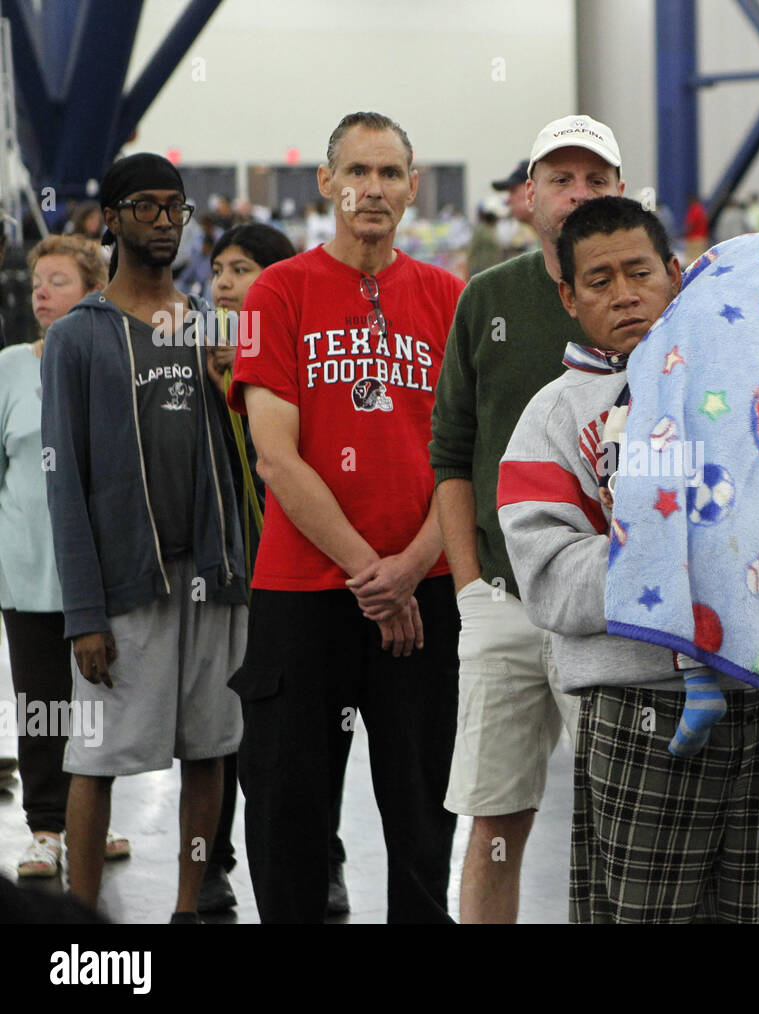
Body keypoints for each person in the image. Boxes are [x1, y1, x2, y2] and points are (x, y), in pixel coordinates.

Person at [498, 197, 759, 922]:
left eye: (639, 272)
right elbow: (547, 574)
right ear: (568, 295)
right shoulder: (555, 416)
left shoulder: (749, 378)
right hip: (644, 709)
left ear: (676, 274)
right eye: (599, 280)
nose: (623, 294)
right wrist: (673, 568)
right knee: (645, 911)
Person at [229, 111, 463, 924]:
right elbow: (275, 457)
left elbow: (463, 461)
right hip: (304, 595)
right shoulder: (277, 292)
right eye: (356, 172)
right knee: (288, 818)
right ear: (327, 183)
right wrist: (376, 574)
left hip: (424, 594)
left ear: (412, 186)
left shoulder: (447, 297)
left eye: (390, 173)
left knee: (424, 817)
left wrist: (408, 572)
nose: (373, 189)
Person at [41, 153, 248, 922]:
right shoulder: (78, 339)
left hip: (214, 576)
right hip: (129, 585)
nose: (164, 221)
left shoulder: (211, 327)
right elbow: (65, 483)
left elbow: (250, 452)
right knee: (95, 761)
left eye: (176, 208)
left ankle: (189, 909)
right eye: (147, 207)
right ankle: (80, 920)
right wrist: (84, 613)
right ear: (111, 221)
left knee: (209, 750)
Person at [429, 113, 624, 924]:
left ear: (620, 191)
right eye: (561, 180)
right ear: (529, 197)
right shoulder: (488, 299)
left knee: (623, 815)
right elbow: (452, 455)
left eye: (595, 180)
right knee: (495, 819)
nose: (578, 195)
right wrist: (471, 591)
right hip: (504, 604)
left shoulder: (649, 295)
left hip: (612, 614)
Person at [197, 222, 354, 915]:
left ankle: (326, 854)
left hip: (303, 575)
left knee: (319, 734)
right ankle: (213, 861)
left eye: (243, 270)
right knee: (234, 734)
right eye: (219, 270)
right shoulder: (194, 363)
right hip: (229, 575)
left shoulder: (299, 358)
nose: (226, 283)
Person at [2, 236, 131, 880]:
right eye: (36, 284)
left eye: (58, 281)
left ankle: (92, 819)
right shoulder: (8, 367)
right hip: (26, 570)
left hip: (103, 570)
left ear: (92, 291)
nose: (42, 294)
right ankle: (46, 827)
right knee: (41, 702)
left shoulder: (111, 360)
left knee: (99, 702)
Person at [683, 192, 710, 263]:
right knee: (700, 259)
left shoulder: (694, 210)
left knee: (692, 261)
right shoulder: (701, 209)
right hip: (702, 237)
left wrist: (684, 232)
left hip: (694, 238)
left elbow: (691, 225)